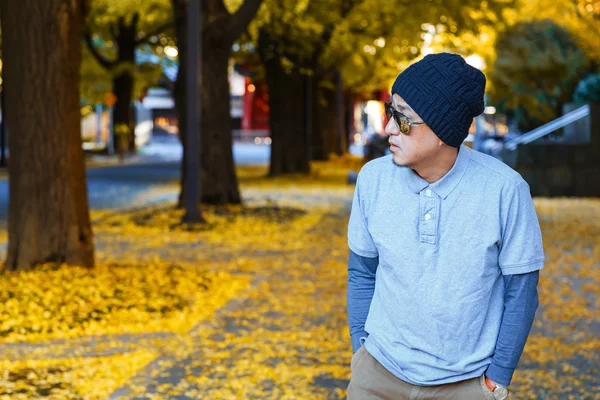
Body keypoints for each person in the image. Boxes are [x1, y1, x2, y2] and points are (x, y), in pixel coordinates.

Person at [346, 53, 544, 400]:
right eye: (391, 111)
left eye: (403, 118)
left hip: (465, 385)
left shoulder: (505, 190)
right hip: (377, 374)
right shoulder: (372, 180)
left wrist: (497, 380)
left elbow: (522, 292)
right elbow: (362, 272)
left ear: (443, 130)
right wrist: (360, 352)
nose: (390, 127)